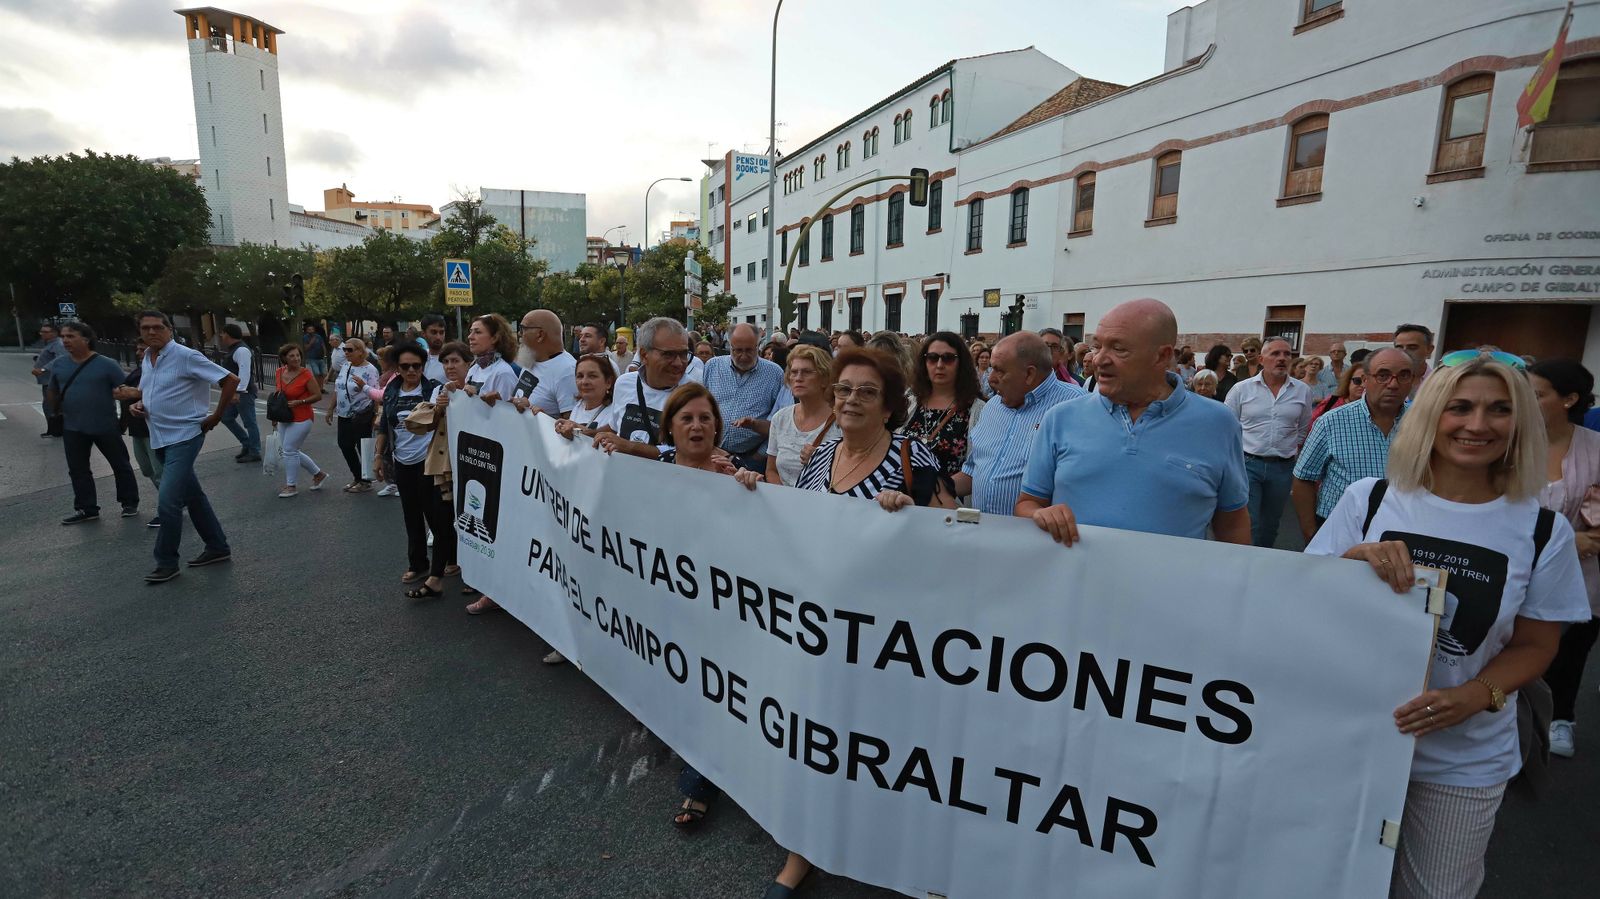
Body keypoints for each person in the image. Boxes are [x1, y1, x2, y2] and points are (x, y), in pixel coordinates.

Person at [1305, 352, 1588, 899]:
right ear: (1431, 414)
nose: (1478, 425)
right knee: (1327, 881)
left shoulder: (1542, 529)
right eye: (1460, 407)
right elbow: (1300, 605)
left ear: (1520, 422)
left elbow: (1536, 644)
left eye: (1499, 410)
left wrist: (1476, 695)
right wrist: (1353, 563)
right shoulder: (1371, 499)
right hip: (1347, 739)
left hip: (1462, 757)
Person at [1017, 298, 1250, 545]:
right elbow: (1027, 504)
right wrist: (1039, 514)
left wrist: (1238, 581)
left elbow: (1233, 523)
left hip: (1174, 583)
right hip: (1075, 581)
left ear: (1162, 356)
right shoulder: (1060, 418)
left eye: (1119, 349)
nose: (1099, 360)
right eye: (1097, 347)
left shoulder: (1218, 423)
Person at [125, 310, 236, 584]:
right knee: (193, 497)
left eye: (157, 328)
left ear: (169, 330)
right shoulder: (150, 358)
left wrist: (216, 416)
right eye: (146, 328)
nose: (151, 332)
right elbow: (150, 392)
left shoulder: (185, 356)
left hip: (185, 436)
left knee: (168, 500)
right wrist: (140, 405)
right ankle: (217, 546)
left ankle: (166, 561)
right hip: (159, 436)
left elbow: (230, 380)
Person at [1527, 359, 1600, 759]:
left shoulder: (1595, 449)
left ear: (1569, 399)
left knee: (1570, 654)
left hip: (1583, 576)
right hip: (1518, 569)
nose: (1525, 401)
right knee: (1515, 646)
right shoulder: (1508, 441)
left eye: (1537, 394)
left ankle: (1561, 718)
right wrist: (1565, 540)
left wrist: (1587, 541)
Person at [794, 347, 955, 509]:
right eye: (844, 389)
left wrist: (911, 513)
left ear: (888, 407)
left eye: (867, 392)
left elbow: (948, 524)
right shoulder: (821, 453)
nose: (852, 399)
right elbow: (798, 513)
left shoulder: (912, 455)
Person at [1291, 348, 1414, 541]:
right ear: (1365, 380)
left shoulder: (1424, 423)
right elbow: (1304, 478)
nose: (1393, 384)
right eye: (1383, 375)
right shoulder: (1331, 421)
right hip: (1338, 527)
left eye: (1404, 375)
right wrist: (1311, 533)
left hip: (1400, 530)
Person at [955, 332, 1083, 516]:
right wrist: (933, 486)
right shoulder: (992, 406)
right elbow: (973, 470)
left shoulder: (1074, 407)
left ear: (1030, 374)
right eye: (991, 369)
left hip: (1038, 539)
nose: (991, 380)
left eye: (999, 370)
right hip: (983, 534)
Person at [375, 344, 450, 600]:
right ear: (397, 368)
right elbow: (386, 424)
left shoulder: (433, 390)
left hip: (428, 462)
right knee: (411, 515)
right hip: (402, 461)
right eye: (405, 366)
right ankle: (418, 564)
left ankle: (444, 564)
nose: (411, 371)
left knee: (436, 516)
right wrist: (378, 456)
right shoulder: (391, 391)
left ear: (423, 366)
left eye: (416, 366)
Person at [1226, 337, 1314, 548]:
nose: (1282, 358)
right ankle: (1244, 564)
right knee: (1250, 521)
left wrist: (1289, 448)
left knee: (1271, 523)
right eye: (1275, 354)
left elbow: (1303, 428)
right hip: (1248, 464)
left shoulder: (1302, 391)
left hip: (1282, 467)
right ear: (1261, 358)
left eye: (1287, 354)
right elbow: (1227, 426)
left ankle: (1263, 561)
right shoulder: (1241, 389)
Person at [50, 322, 140, 524]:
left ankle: (129, 502)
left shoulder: (107, 364)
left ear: (86, 339)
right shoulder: (59, 364)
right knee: (78, 469)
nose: (65, 340)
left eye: (71, 336)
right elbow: (54, 390)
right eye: (63, 336)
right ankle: (86, 508)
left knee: (121, 465)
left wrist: (123, 423)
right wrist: (54, 413)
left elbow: (125, 394)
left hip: (105, 426)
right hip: (73, 427)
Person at [594, 317, 700, 459]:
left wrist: (629, 447)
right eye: (668, 354)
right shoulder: (624, 383)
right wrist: (582, 432)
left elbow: (687, 452)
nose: (678, 363)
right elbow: (614, 427)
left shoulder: (694, 394)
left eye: (683, 354)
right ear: (644, 355)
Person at [904, 332, 986, 483]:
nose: (939, 365)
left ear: (961, 363)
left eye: (948, 359)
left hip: (950, 501)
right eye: (932, 358)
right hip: (903, 499)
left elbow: (979, 468)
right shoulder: (909, 404)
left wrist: (934, 492)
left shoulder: (978, 410)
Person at [706, 322, 785, 472]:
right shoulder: (712, 366)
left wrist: (759, 455)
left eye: (749, 350)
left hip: (752, 459)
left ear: (758, 346)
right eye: (737, 350)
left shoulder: (774, 373)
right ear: (729, 346)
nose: (743, 356)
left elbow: (779, 421)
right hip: (713, 453)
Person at [763, 345, 841, 486]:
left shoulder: (841, 422)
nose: (798, 378)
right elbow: (771, 470)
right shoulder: (780, 418)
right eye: (793, 372)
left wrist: (822, 461)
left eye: (806, 372)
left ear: (824, 378)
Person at [271, 343, 328, 498]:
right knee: (290, 450)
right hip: (285, 416)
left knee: (289, 450)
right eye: (292, 356)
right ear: (284, 358)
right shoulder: (279, 372)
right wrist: (275, 416)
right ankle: (318, 474)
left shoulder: (306, 374)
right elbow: (278, 395)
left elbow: (318, 395)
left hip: (303, 417)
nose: (296, 358)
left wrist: (300, 402)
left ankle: (291, 486)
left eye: (298, 355)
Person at [324, 338, 379, 493]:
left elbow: (375, 394)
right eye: (345, 350)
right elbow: (338, 389)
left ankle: (366, 481)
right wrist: (330, 409)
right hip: (343, 414)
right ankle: (357, 476)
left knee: (363, 447)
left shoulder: (370, 370)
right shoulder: (345, 366)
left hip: (362, 414)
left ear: (361, 351)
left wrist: (376, 415)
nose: (346, 352)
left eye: (350, 350)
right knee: (344, 445)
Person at [510, 309, 578, 420]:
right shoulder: (530, 360)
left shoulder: (567, 371)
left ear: (540, 335)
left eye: (523, 329)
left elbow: (571, 426)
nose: (519, 333)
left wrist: (541, 417)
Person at [119, 344, 163, 503]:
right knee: (146, 468)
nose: (138, 353)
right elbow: (124, 400)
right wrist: (122, 424)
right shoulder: (138, 372)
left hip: (152, 429)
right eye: (137, 349)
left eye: (141, 349)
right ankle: (175, 498)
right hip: (136, 428)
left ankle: (171, 504)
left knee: (160, 471)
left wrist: (134, 393)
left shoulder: (160, 371)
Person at [216, 324, 262, 463]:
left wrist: (238, 391)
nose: (221, 337)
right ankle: (247, 443)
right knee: (226, 417)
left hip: (243, 393)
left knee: (249, 422)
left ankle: (255, 451)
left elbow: (244, 372)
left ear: (228, 334)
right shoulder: (234, 349)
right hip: (233, 392)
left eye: (222, 334)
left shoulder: (241, 350)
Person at [553, 354, 622, 440]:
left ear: (608, 382)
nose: (584, 382)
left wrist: (576, 427)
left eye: (592, 376)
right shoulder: (578, 407)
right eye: (580, 376)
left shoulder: (617, 413)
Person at [462, 313, 520, 404]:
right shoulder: (474, 369)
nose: (470, 337)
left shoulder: (503, 373)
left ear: (495, 338)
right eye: (470, 332)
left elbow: (509, 413)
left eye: (477, 332)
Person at [32, 323, 66, 437]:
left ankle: (55, 430)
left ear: (54, 333)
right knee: (51, 404)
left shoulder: (58, 344)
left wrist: (42, 368)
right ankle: (56, 429)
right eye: (41, 332)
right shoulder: (51, 344)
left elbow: (61, 358)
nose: (42, 334)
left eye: (45, 332)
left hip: (52, 380)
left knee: (50, 405)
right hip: (48, 380)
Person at [420, 313, 449, 382]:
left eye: (441, 332)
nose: (438, 337)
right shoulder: (420, 358)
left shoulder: (453, 359)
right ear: (423, 334)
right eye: (433, 332)